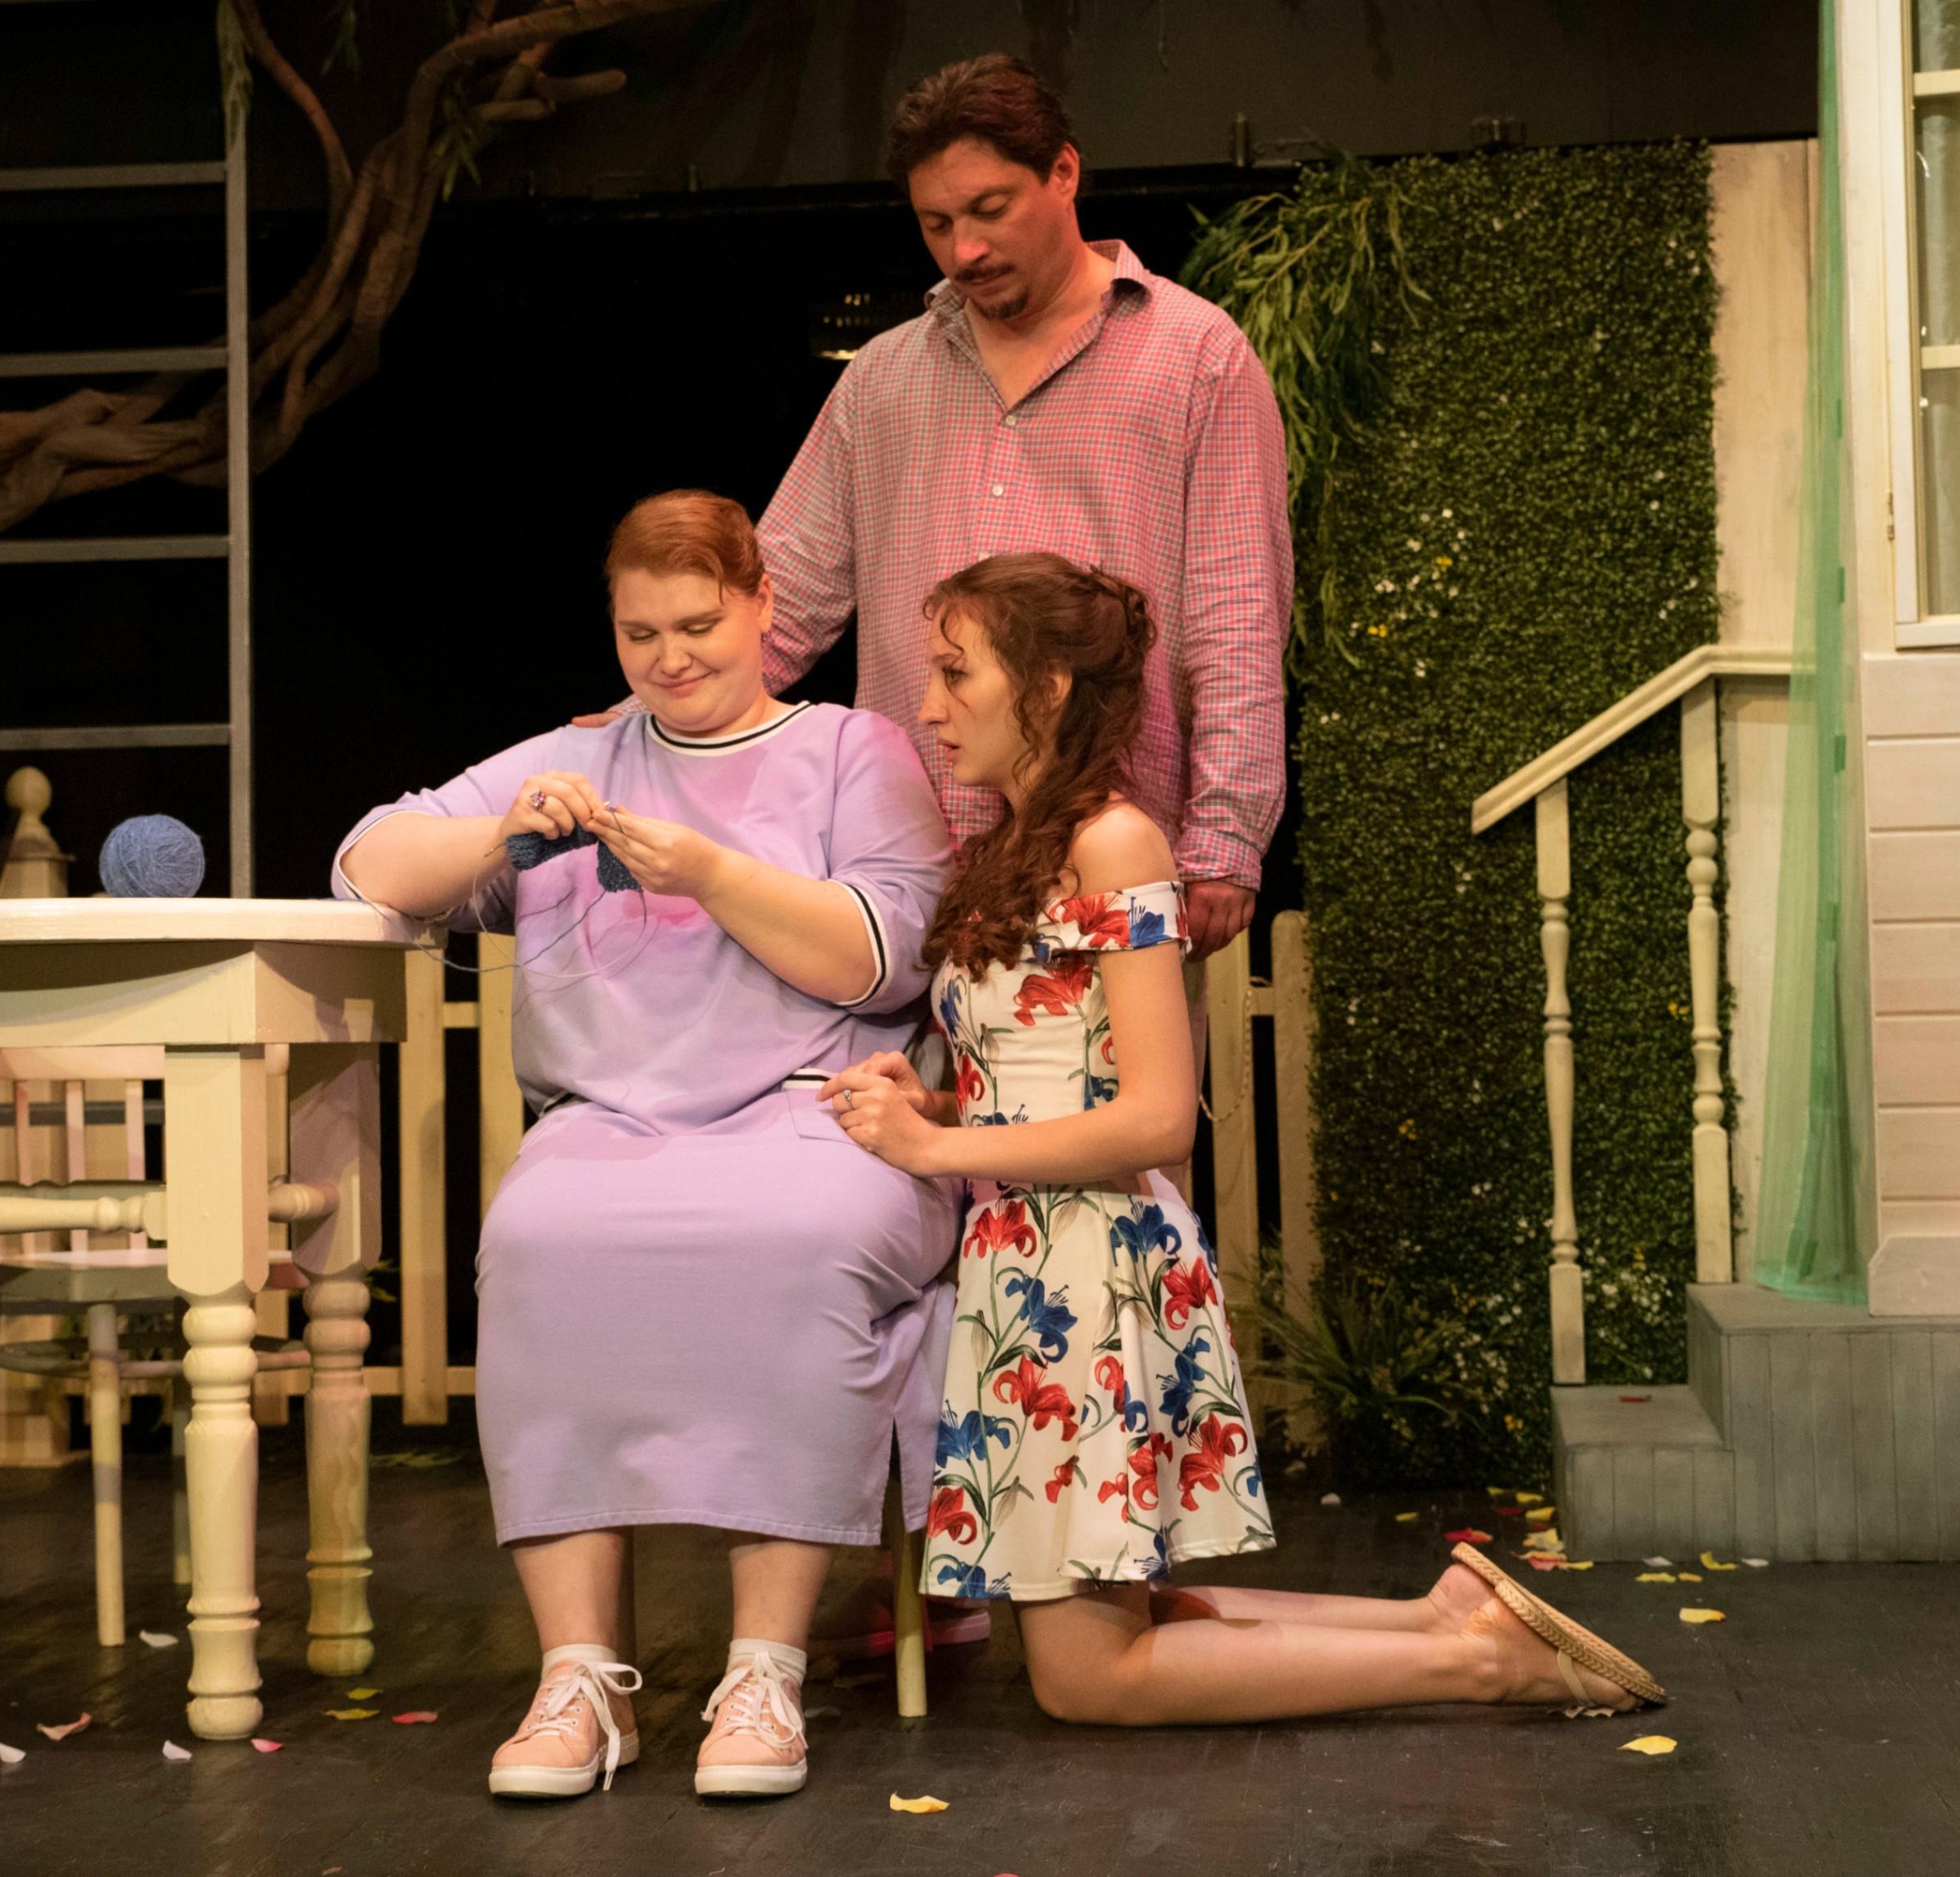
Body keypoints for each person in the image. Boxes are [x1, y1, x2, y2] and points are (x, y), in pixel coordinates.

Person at [819, 554, 1667, 1725]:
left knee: (1087, 1676)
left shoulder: (1115, 843)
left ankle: (1480, 1662)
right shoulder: (1017, 849)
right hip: (1031, 1261)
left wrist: (935, 1155)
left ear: (1048, 687)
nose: (928, 705)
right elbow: (1053, 1082)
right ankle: (1446, 1618)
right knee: (1106, 1627)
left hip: (1090, 1266)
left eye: (957, 674)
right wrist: (940, 1111)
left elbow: (1158, 1116)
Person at [332, 491, 961, 1801]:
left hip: (818, 1113)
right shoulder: (584, 755)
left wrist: (715, 876)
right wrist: (500, 833)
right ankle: (581, 1679)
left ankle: (763, 1669)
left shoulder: (853, 750)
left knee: (796, 1240)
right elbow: (366, 862)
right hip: (611, 1124)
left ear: (763, 606)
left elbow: (887, 955)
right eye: (640, 634)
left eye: (696, 626)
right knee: (538, 1238)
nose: (669, 659)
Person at [755, 53, 1291, 967]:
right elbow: (781, 599)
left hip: (1106, 859)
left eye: (990, 209)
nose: (964, 249)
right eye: (937, 224)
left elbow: (1236, 615)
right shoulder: (883, 378)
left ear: (1064, 172)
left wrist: (1224, 838)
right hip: (900, 870)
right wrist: (654, 711)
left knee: (1117, 1070)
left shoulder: (1197, 358)